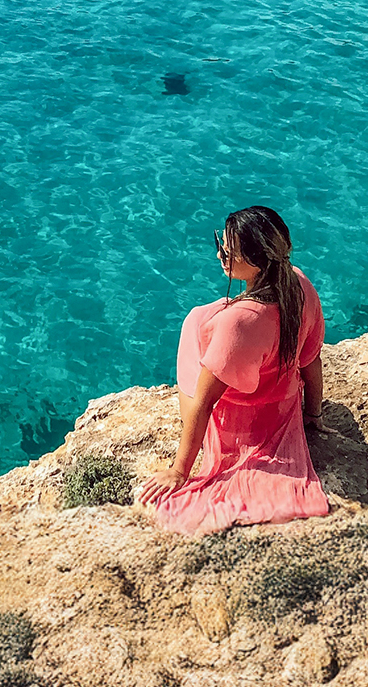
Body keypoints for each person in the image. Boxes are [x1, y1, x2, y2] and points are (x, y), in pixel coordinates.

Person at [139, 206, 332, 535]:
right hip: (282, 405)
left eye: (227, 251)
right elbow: (310, 360)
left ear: (257, 261)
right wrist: (312, 415)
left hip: (245, 419)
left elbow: (204, 402)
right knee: (203, 315)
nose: (219, 254)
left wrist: (179, 470)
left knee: (192, 329)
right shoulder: (299, 282)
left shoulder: (240, 324)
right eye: (220, 243)